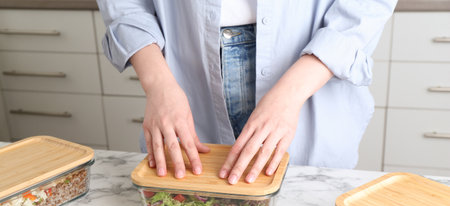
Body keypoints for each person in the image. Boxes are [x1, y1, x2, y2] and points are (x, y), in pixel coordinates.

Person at [97, 0, 396, 184]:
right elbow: (124, 4)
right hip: (185, 74)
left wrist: (290, 94)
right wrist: (158, 83)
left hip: (308, 75)